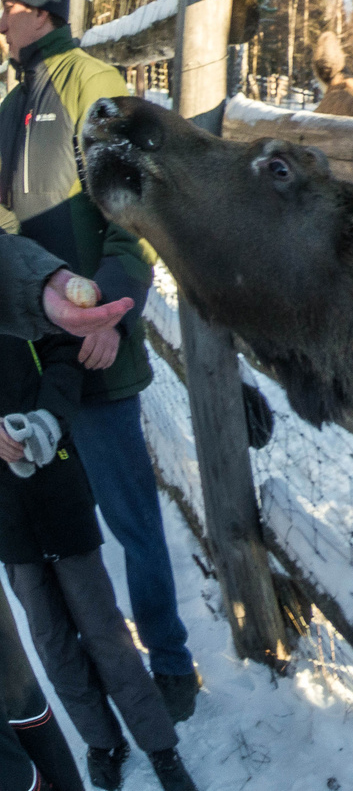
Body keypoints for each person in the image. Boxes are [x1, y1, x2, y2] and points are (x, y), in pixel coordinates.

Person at [0, 0, 197, 723]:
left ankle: (172, 662)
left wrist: (113, 313)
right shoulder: (10, 106)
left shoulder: (93, 84)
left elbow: (135, 207)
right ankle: (102, 672)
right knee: (66, 532)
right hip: (36, 357)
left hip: (96, 349)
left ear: (37, 9)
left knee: (131, 519)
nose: (0, 18)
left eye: (7, 5)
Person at [0, 323, 194, 789]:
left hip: (55, 477)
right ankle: (102, 740)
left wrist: (48, 418)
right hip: (6, 513)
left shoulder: (16, 283)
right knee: (50, 638)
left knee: (102, 626)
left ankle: (159, 745)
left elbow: (67, 350)